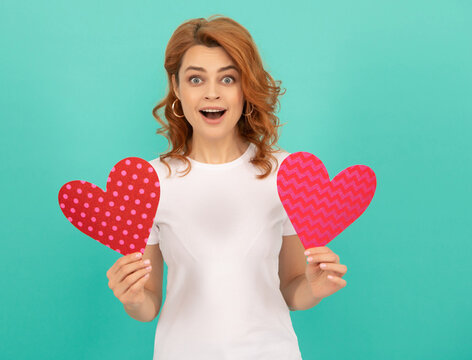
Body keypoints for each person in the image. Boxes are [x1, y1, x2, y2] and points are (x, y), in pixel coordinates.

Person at [105, 15, 349, 359]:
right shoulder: (149, 182)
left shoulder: (286, 173)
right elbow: (148, 304)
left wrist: (315, 287)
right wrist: (131, 297)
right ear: (176, 87)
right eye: (195, 79)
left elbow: (292, 288)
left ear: (244, 87)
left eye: (228, 78)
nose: (212, 93)